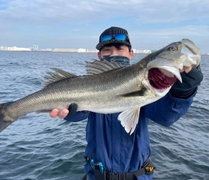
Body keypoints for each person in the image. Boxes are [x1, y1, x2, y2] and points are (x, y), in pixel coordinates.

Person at [50, 27, 203, 180]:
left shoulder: (146, 84)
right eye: (107, 50)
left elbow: (166, 117)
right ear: (99, 55)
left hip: (138, 176)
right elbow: (78, 115)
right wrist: (73, 111)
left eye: (119, 49)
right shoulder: (92, 82)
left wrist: (183, 91)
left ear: (131, 53)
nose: (113, 53)